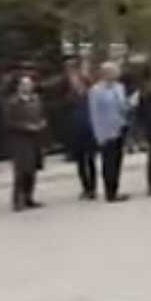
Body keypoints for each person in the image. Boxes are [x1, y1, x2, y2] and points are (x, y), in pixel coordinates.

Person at [88, 62, 131, 203]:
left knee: (118, 161)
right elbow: (94, 114)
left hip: (120, 128)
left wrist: (129, 105)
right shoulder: (96, 90)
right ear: (105, 73)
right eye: (113, 72)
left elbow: (123, 107)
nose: (116, 74)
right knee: (108, 163)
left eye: (116, 71)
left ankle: (115, 189)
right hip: (106, 131)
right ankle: (109, 192)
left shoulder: (119, 88)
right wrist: (98, 134)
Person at [5, 74, 47, 211]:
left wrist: (42, 123)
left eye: (29, 84)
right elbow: (9, 122)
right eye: (24, 84)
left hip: (36, 139)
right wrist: (25, 126)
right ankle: (17, 200)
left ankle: (29, 197)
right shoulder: (13, 102)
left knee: (33, 170)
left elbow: (41, 115)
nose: (27, 87)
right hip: (20, 140)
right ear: (19, 87)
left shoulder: (36, 100)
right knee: (21, 171)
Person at [63, 61, 98, 200]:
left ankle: (93, 188)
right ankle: (86, 187)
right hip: (76, 132)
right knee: (80, 162)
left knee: (91, 161)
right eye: (76, 84)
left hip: (90, 131)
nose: (78, 86)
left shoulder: (91, 97)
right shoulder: (70, 99)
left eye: (80, 83)